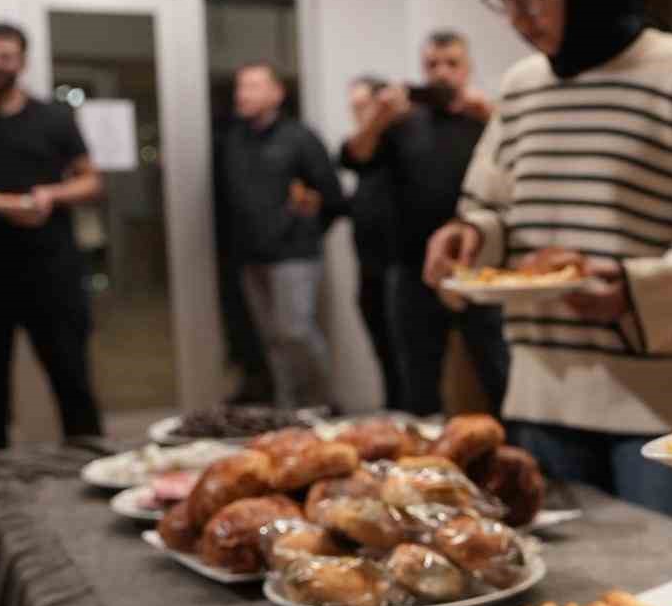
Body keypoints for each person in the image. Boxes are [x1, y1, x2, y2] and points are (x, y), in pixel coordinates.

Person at [424, 0, 672, 532]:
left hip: (661, 402)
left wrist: (633, 290)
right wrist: (467, 239)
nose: (519, 15)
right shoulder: (522, 89)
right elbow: (490, 211)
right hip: (540, 393)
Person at [342, 33, 509, 418]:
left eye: (451, 63)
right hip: (414, 271)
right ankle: (423, 475)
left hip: (478, 269)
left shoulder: (485, 120)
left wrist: (492, 116)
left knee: (499, 377)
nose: (442, 73)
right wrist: (378, 117)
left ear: (467, 69)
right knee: (417, 387)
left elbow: (524, 159)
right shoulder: (402, 123)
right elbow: (354, 157)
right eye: (433, 64)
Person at [0, 21, 105, 451]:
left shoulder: (52, 117)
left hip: (51, 269)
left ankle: (89, 461)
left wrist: (51, 194)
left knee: (72, 377)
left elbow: (91, 182)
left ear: (22, 62)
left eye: (5, 57)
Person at [213, 61, 345, 410]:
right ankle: (290, 410)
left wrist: (304, 228)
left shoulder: (300, 137)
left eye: (254, 86)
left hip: (293, 254)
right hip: (250, 256)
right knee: (272, 339)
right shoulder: (232, 140)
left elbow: (331, 197)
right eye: (241, 87)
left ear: (277, 93)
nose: (244, 94)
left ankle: (324, 405)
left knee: (295, 331)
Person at [343, 75, 404, 409]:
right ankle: (392, 415)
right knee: (384, 357)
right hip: (369, 270)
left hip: (400, 269)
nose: (359, 115)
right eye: (353, 108)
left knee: (405, 361)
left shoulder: (403, 141)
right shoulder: (361, 149)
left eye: (364, 106)